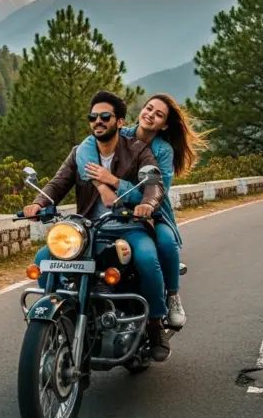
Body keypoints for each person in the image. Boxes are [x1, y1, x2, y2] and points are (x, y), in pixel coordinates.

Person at [24, 91, 172, 361]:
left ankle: (155, 324)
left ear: (119, 122)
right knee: (44, 258)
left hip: (128, 225)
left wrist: (147, 204)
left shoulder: (138, 150)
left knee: (147, 258)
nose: (98, 121)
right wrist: (38, 202)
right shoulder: (81, 152)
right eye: (93, 117)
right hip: (89, 228)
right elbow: (58, 183)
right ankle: (59, 320)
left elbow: (155, 186)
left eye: (105, 116)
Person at [77, 93, 205, 329]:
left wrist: (114, 181)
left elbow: (158, 190)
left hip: (152, 211)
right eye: (149, 108)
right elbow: (85, 146)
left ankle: (172, 297)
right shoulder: (122, 133)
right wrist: (100, 185)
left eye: (159, 114)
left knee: (166, 244)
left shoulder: (163, 150)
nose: (150, 115)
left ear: (164, 125)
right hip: (117, 213)